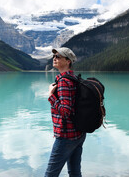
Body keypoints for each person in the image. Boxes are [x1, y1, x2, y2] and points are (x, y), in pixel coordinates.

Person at [45, 47, 86, 177]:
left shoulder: (63, 81)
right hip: (78, 133)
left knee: (50, 174)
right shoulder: (73, 78)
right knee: (74, 172)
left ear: (68, 61)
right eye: (54, 56)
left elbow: (65, 111)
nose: (55, 58)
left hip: (66, 136)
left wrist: (51, 95)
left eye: (58, 56)